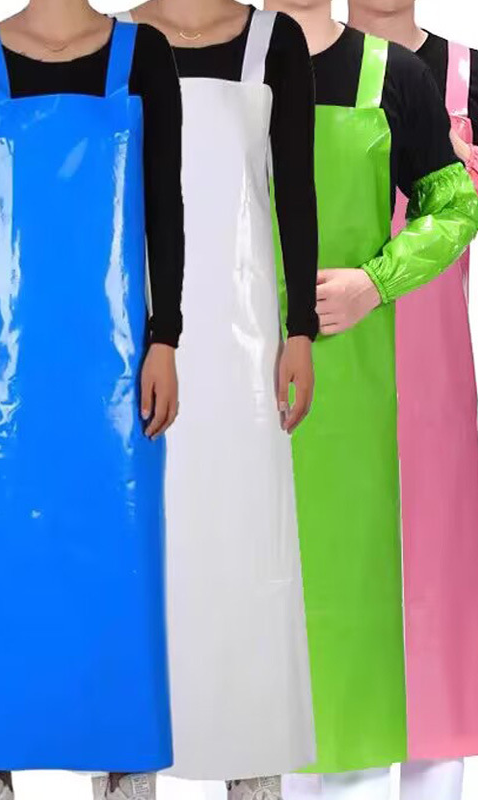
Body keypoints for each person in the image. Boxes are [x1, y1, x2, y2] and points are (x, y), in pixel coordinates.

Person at [0, 1, 184, 798]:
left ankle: (123, 759)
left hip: (114, 367)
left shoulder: (144, 56)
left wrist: (166, 338)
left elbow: (165, 205)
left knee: (120, 555)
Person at [258, 0, 478, 798]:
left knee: (372, 622)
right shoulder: (210, 65)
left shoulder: (402, 77)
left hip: (373, 386)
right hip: (232, 380)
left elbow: (454, 206)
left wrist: (376, 282)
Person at [116, 2, 317, 799]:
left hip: (244, 337)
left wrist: (299, 329)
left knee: (245, 540)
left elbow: (293, 187)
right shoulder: (113, 43)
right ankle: (128, 766)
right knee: (140, 544)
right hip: (132, 330)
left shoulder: (274, 41)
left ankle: (251, 759)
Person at [345, 3, 478, 798]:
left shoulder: (467, 75)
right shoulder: (302, 65)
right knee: (339, 594)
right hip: (329, 360)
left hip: (435, 382)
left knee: (436, 594)